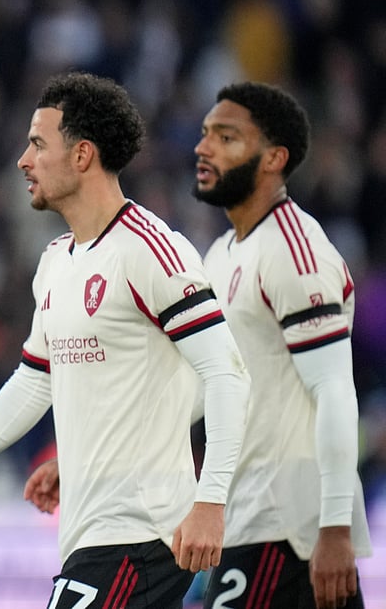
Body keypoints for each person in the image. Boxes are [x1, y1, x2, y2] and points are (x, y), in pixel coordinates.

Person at [0, 72, 251, 608]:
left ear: (82, 155)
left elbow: (227, 374)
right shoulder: (57, 261)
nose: (23, 161)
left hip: (141, 534)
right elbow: (35, 384)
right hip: (90, 535)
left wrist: (211, 501)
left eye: (37, 144)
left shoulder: (150, 250)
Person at [24, 82, 374, 609]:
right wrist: (88, 455)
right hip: (247, 519)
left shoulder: (295, 255)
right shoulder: (221, 253)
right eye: (206, 133)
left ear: (273, 159)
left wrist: (335, 528)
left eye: (227, 137)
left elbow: (335, 394)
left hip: (288, 526)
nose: (203, 147)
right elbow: (191, 390)